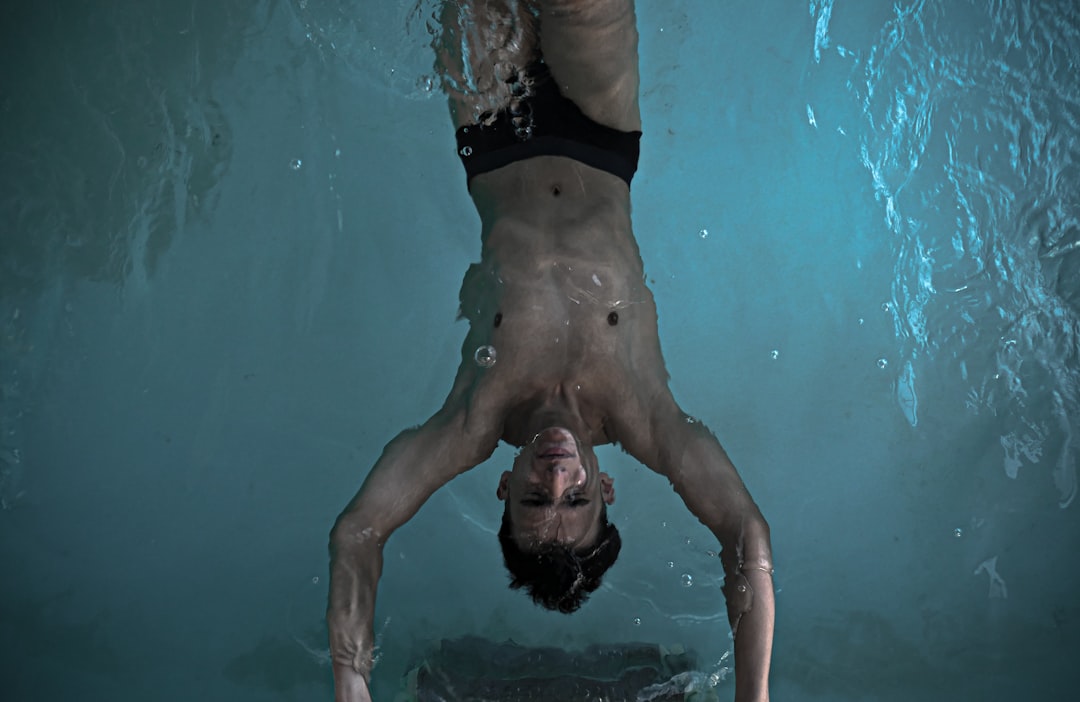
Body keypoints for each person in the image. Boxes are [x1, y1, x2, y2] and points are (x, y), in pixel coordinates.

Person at [327, 1, 775, 700]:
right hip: (600, 135)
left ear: (504, 489)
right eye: (578, 499)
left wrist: (349, 684)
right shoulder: (644, 416)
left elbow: (358, 532)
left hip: (493, 134)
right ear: (607, 489)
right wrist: (755, 694)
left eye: (535, 498)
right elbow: (745, 535)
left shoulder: (475, 418)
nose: (557, 476)